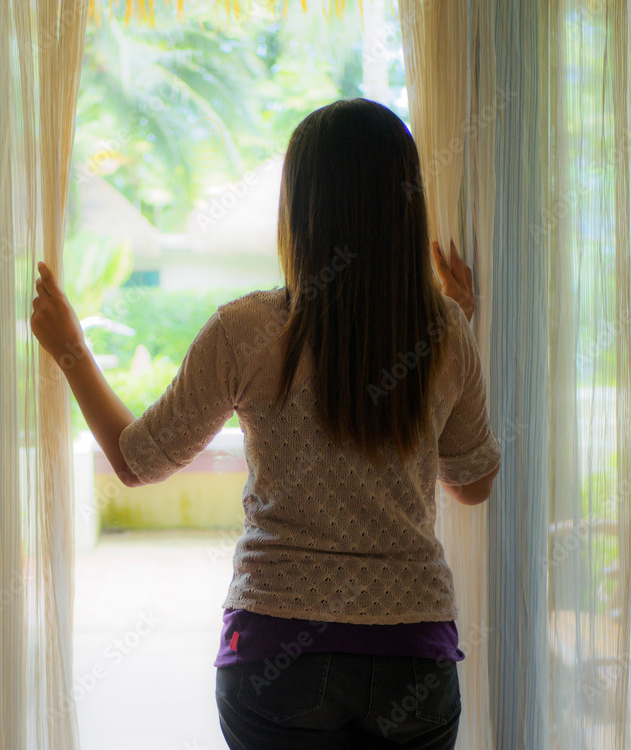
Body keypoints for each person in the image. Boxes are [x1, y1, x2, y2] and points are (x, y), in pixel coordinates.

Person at [30, 97, 500, 750]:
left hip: (277, 662)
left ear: (300, 209)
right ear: (407, 206)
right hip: (411, 661)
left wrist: (69, 350)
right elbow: (471, 483)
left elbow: (138, 462)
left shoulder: (246, 332)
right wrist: (454, 335)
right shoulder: (445, 333)